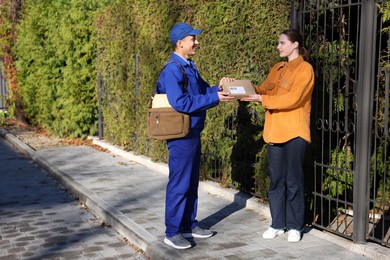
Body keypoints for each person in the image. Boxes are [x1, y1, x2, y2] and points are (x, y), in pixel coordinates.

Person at [156, 22, 235, 250]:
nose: (197, 42)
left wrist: (219, 88)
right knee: (179, 183)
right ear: (180, 43)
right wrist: (216, 98)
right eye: (193, 39)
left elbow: (203, 92)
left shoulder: (189, 66)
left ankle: (189, 224)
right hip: (181, 135)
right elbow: (180, 103)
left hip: (192, 131)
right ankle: (172, 232)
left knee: (190, 182)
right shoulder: (172, 69)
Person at [240, 29, 314, 243]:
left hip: (295, 132)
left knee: (293, 181)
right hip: (275, 131)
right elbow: (264, 89)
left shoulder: (305, 69)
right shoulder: (278, 68)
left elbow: (293, 98)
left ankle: (294, 226)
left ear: (295, 45)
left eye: (282, 43)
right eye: (278, 43)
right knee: (276, 181)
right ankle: (277, 224)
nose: (278, 47)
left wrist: (260, 99)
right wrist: (241, 87)